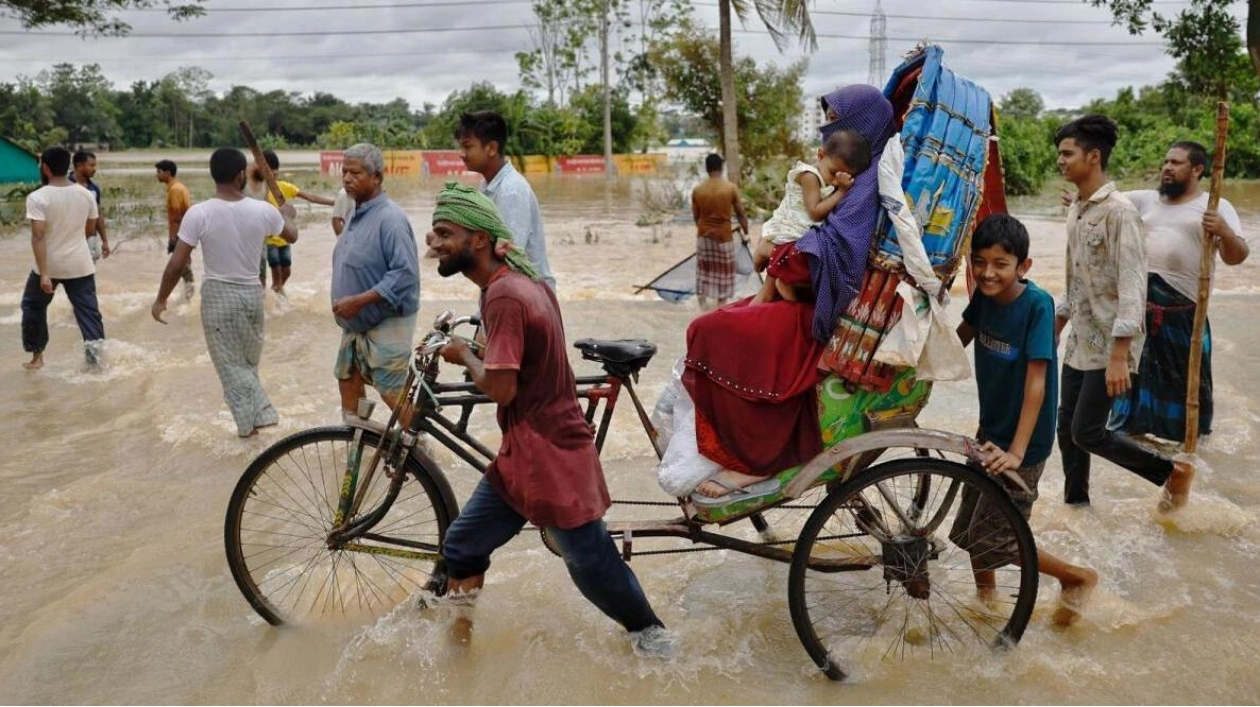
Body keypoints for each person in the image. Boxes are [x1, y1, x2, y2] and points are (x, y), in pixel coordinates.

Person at [426, 181, 677, 659]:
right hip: (526, 451)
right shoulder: (517, 283)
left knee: (591, 564)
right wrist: (472, 352)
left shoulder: (503, 296)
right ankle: (457, 655)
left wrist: (461, 353)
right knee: (462, 545)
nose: (433, 242)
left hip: (549, 454)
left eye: (443, 232)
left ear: (478, 240)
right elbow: (512, 361)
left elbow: (501, 387)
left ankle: (656, 641)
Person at [685, 85, 895, 503]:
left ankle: (755, 461)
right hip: (793, 291)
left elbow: (836, 256)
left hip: (812, 309)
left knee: (707, 330)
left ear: (860, 126)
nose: (828, 128)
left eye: (836, 120)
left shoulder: (862, 187)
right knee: (720, 320)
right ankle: (731, 446)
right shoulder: (846, 175)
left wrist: (775, 253)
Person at [951, 214, 1099, 627]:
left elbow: (1037, 381)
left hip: (1024, 443)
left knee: (997, 535)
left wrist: (1018, 451)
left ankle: (1076, 577)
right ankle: (986, 600)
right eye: (979, 262)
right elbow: (961, 336)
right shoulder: (982, 295)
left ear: (1024, 267)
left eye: (1001, 263)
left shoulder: (1036, 305)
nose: (988, 272)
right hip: (991, 429)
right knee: (969, 525)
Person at [1053, 114, 1194, 511]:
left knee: (1088, 432)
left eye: (1068, 153)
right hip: (1082, 336)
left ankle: (1170, 473)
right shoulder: (1077, 209)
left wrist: (1120, 355)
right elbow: (1074, 275)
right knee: (1066, 430)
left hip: (1112, 344)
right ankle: (1076, 506)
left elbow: (1133, 284)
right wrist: (1059, 321)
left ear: (1093, 156)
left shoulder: (1120, 212)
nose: (1061, 161)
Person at [151, 147, 298, 438]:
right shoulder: (263, 210)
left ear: (214, 176)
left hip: (219, 297)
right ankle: (253, 429)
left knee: (232, 369)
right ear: (241, 175)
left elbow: (176, 264)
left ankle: (254, 427)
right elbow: (292, 235)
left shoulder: (200, 213)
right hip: (252, 295)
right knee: (245, 366)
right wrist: (287, 214)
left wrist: (161, 298)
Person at [1110, 140, 1250, 442]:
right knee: (1129, 399)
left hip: (1183, 313)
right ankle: (1132, 444)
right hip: (1138, 309)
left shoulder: (1216, 206)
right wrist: (1082, 198)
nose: (1167, 168)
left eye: (1176, 163)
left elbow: (1237, 257)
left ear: (1197, 169)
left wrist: (1224, 231)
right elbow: (1106, 201)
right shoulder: (1146, 200)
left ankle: (1182, 451)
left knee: (1185, 395)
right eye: (1166, 162)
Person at [330, 143, 420, 414]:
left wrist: (359, 301)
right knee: (348, 383)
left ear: (377, 177)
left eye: (355, 173)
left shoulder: (390, 219)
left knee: (393, 394)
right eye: (344, 172)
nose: (346, 178)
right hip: (355, 326)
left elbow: (405, 274)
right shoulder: (355, 211)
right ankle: (357, 447)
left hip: (387, 321)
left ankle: (422, 450)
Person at [752, 129, 870, 304]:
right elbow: (815, 212)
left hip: (800, 231)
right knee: (772, 286)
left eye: (844, 177)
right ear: (820, 155)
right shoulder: (809, 176)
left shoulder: (829, 176)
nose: (835, 181)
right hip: (789, 229)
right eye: (833, 173)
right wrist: (842, 191)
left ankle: (785, 284)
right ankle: (766, 249)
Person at [21, 146, 105, 370]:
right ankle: (96, 363)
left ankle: (37, 358)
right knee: (89, 314)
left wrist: (45, 274)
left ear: (45, 168)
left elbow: (38, 237)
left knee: (32, 306)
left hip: (48, 265)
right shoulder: (87, 194)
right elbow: (89, 230)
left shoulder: (37, 197)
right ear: (68, 166)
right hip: (80, 263)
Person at [455, 110, 556, 290]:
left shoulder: (511, 191)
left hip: (526, 296)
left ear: (492, 148)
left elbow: (509, 257)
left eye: (468, 146)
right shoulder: (486, 185)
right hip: (507, 291)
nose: (461, 154)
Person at [248, 149, 335, 294]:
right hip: (270, 242)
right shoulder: (257, 191)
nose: (274, 175)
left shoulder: (284, 187)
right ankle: (276, 298)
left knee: (286, 271)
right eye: (270, 173)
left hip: (285, 240)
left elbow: (310, 197)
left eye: (276, 172)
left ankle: (275, 294)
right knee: (276, 274)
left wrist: (334, 202)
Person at [690, 153, 749, 311]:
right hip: (724, 237)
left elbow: (696, 217)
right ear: (721, 168)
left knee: (704, 271)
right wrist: (746, 233)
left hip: (704, 237)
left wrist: (705, 231)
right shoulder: (730, 188)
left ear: (707, 168)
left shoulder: (698, 190)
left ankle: (702, 307)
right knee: (724, 274)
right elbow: (741, 214)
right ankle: (720, 307)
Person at [155, 159, 195, 300]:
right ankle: (187, 296)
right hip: (185, 233)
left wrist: (174, 239)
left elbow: (177, 217)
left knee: (182, 267)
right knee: (183, 266)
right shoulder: (177, 187)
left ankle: (189, 297)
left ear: (168, 173)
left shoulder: (175, 190)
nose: (157, 175)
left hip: (181, 234)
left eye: (159, 172)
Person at [69, 150, 110, 261]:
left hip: (90, 238)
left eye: (94, 165)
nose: (94, 169)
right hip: (68, 238)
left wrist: (104, 241)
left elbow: (98, 216)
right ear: (79, 165)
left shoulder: (94, 189)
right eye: (91, 165)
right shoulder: (65, 185)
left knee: (88, 272)